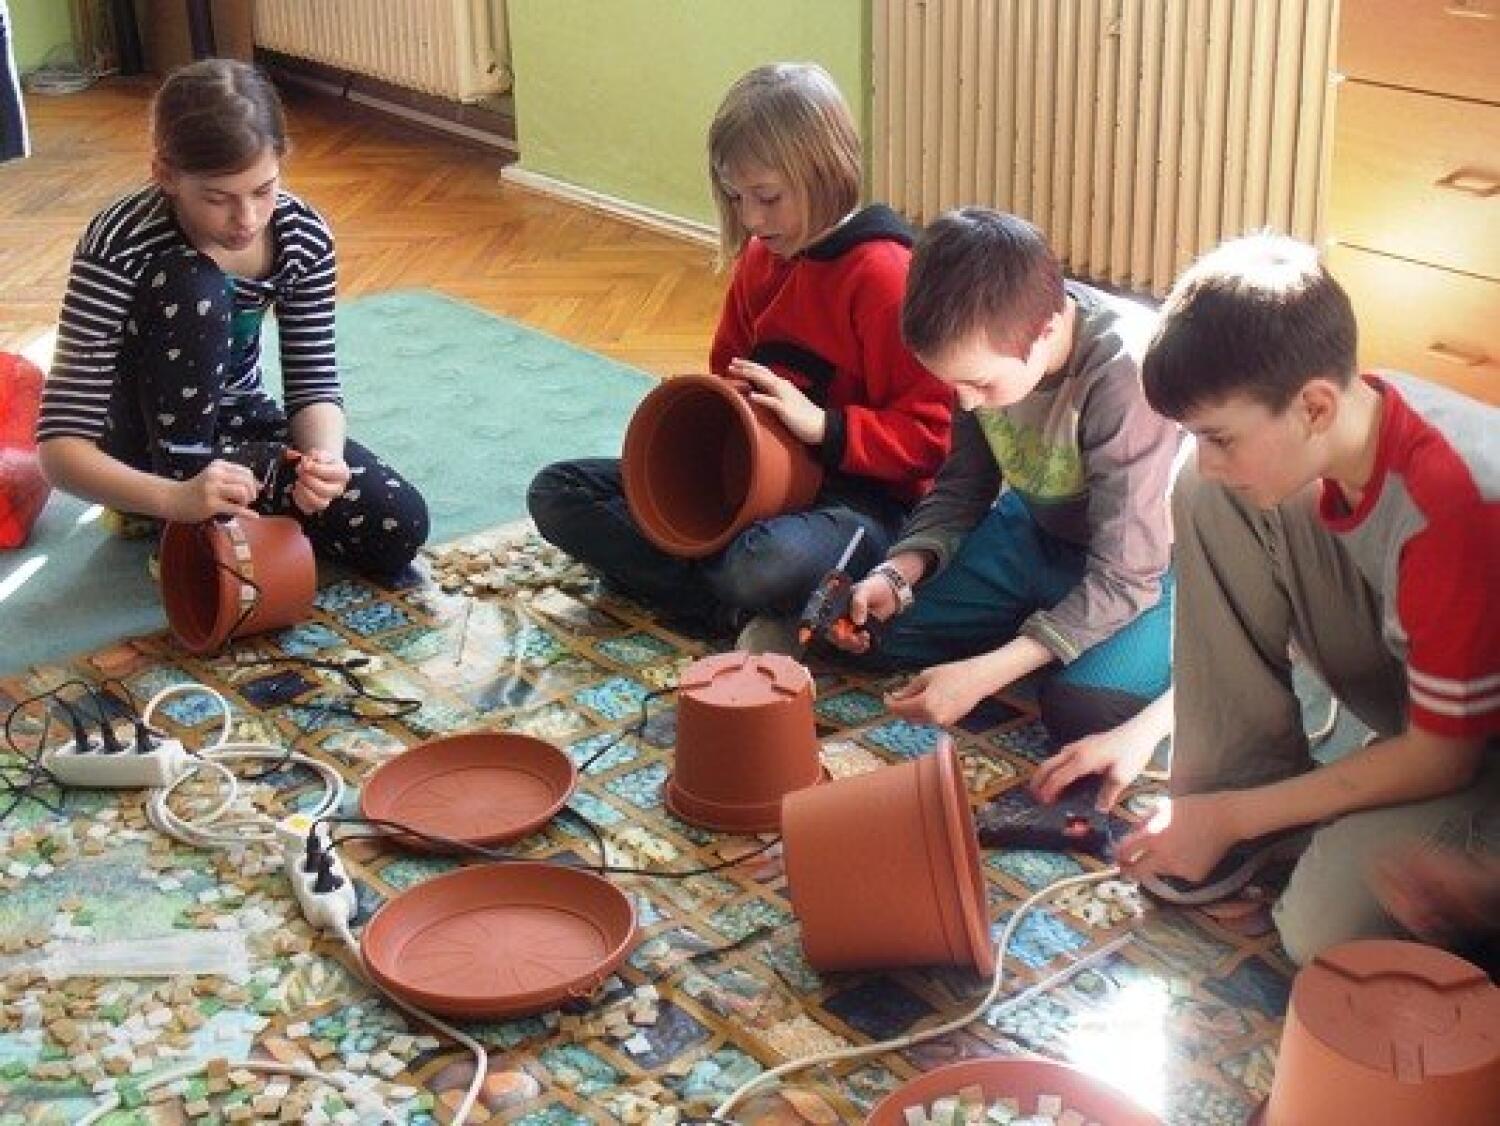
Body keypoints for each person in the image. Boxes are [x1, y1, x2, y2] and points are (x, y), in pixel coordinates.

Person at [1070, 233, 1497, 965]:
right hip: (1437, 707)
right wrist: (1229, 808)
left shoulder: (1454, 506)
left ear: (1314, 407)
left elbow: (1444, 760)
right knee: (1207, 493)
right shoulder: (1352, 417)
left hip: (1471, 751)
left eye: (1221, 438)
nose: (1208, 457)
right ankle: (1248, 805)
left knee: (1320, 932)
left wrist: (1230, 818)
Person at [527, 63, 952, 644]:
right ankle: (727, 603)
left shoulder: (884, 276)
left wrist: (824, 428)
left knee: (763, 563)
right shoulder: (761, 256)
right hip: (758, 485)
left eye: (767, 197)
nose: (751, 218)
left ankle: (720, 586)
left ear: (826, 171)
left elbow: (933, 439)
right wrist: (695, 430)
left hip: (861, 501)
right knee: (558, 493)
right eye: (736, 197)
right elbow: (727, 372)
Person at [37, 59, 428, 577]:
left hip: (237, 430)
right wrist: (177, 498)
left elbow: (314, 384)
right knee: (193, 283)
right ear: (165, 175)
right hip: (138, 448)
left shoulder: (301, 237)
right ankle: (177, 527)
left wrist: (323, 462)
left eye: (263, 190)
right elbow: (60, 450)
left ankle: (220, 513)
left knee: (397, 522)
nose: (246, 220)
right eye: (218, 199)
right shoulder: (120, 242)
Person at [834, 209, 1180, 745]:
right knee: (868, 628)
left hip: (1153, 565)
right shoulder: (983, 355)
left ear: (1047, 332)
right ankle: (1040, 629)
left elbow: (1128, 572)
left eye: (980, 384)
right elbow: (963, 486)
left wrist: (986, 673)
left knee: (1083, 709)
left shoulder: (1125, 375)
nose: (968, 402)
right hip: (1038, 528)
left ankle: (1125, 647)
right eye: (954, 386)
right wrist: (898, 572)